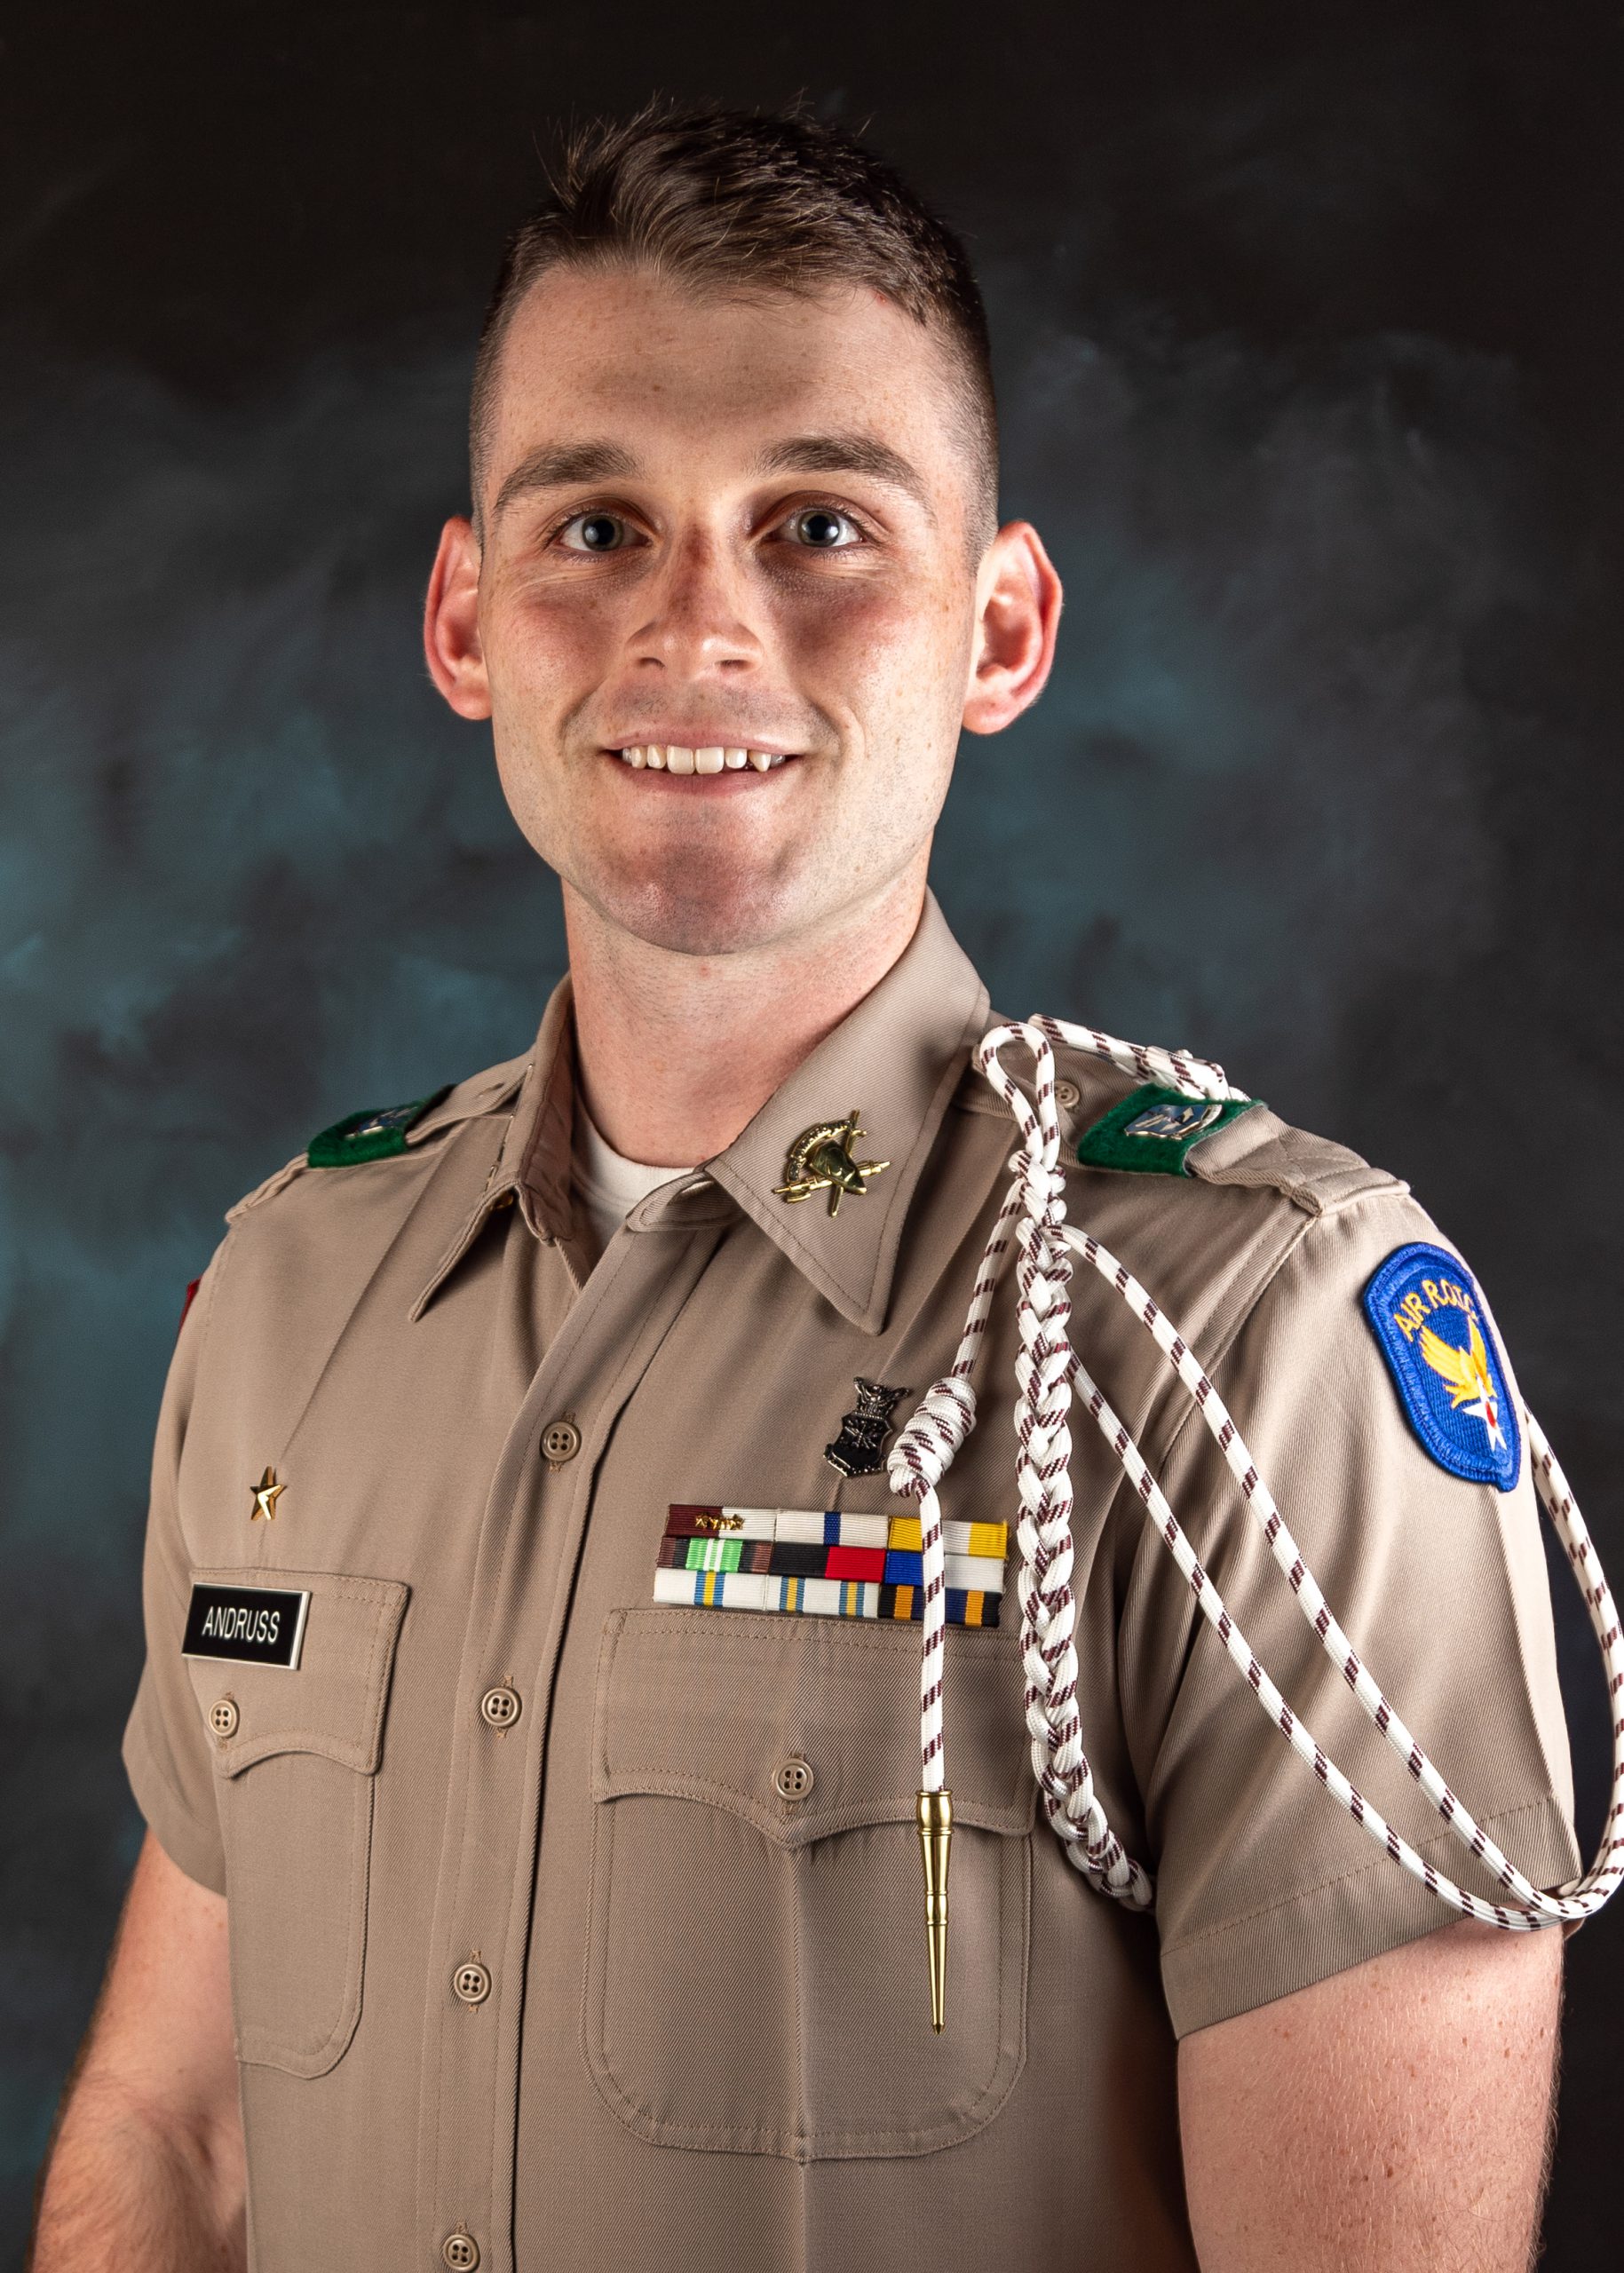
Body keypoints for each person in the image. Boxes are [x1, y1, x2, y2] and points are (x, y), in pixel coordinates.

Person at [30, 99, 1589, 2273]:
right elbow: (172, 2143)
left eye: (821, 525)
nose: (698, 626)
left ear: (1002, 630)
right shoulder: (295, 1294)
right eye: (596, 525)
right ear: (468, 622)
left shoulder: (1262, 1340)